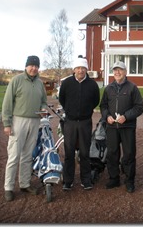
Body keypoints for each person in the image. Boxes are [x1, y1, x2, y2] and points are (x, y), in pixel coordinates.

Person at [2, 55, 47, 201]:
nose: (33, 68)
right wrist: (7, 123)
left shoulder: (40, 83)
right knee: (14, 155)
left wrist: (43, 108)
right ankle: (8, 187)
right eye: (31, 65)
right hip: (18, 121)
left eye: (36, 66)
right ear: (26, 66)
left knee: (28, 155)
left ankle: (24, 183)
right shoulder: (17, 80)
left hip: (34, 122)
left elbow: (44, 102)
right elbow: (7, 102)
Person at [100, 61, 143, 193]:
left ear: (125, 72)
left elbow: (139, 107)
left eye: (120, 70)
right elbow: (103, 106)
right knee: (112, 153)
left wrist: (126, 116)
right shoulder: (108, 89)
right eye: (115, 70)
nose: (117, 72)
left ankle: (129, 180)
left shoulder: (132, 88)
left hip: (127, 127)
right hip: (112, 127)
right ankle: (114, 178)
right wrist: (107, 116)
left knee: (129, 154)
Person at [59, 56, 100, 191]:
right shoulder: (66, 83)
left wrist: (85, 111)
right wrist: (70, 111)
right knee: (69, 152)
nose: (80, 70)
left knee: (84, 152)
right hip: (70, 122)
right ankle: (68, 181)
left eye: (83, 68)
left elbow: (95, 101)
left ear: (86, 69)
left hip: (85, 122)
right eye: (78, 68)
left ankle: (86, 180)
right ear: (74, 69)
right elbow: (62, 99)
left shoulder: (92, 85)